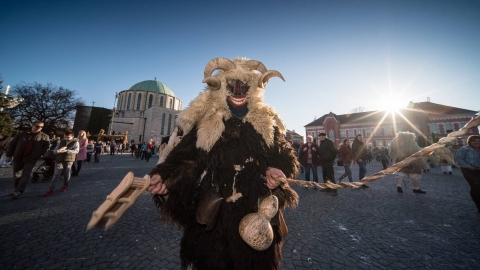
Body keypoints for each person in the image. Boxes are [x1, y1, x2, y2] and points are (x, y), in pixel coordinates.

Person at [147, 57, 298, 269]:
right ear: (221, 88)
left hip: (253, 209)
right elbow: (185, 158)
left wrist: (276, 170)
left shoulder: (266, 123)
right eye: (232, 85)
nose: (238, 92)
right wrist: (165, 178)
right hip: (213, 216)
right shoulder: (208, 122)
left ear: (252, 89)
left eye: (243, 86)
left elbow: (285, 157)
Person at [5, 121, 50, 199]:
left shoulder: (44, 136)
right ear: (32, 125)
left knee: (26, 174)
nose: (39, 128)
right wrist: (9, 155)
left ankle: (19, 191)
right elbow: (13, 144)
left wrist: (40, 153)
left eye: (41, 127)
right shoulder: (22, 134)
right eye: (37, 126)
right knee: (16, 174)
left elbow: (46, 147)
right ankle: (16, 190)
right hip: (18, 156)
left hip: (31, 158)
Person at [44, 130, 79, 196]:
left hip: (68, 159)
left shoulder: (75, 142)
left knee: (66, 173)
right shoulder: (61, 142)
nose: (66, 138)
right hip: (59, 159)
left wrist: (66, 151)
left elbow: (76, 151)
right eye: (65, 137)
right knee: (56, 174)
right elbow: (55, 149)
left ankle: (65, 185)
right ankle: (51, 189)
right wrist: (56, 151)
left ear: (72, 137)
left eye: (68, 137)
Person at [455, 135, 480, 216]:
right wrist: (468, 166)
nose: (477, 142)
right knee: (476, 187)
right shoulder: (464, 149)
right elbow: (459, 158)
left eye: (478, 141)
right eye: (474, 141)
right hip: (470, 170)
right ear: (469, 142)